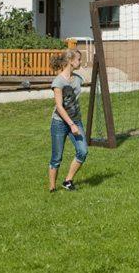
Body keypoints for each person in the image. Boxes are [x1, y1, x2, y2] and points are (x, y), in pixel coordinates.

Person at [49, 49, 88, 192]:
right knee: (57, 157)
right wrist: (71, 124)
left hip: (75, 121)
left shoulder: (78, 78)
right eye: (78, 59)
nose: (80, 62)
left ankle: (67, 181)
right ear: (71, 61)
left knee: (83, 151)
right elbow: (59, 107)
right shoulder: (58, 82)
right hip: (59, 123)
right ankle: (52, 188)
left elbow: (89, 78)